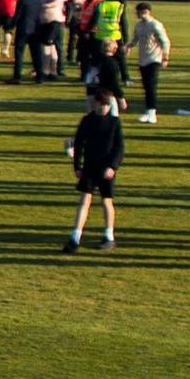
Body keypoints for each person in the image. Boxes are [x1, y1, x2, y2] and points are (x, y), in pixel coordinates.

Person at [65, 81, 124, 251]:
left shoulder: (114, 123)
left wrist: (112, 166)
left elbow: (119, 148)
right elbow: (79, 144)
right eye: (100, 104)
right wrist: (77, 166)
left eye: (106, 105)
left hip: (106, 168)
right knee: (84, 200)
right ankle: (75, 236)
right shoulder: (87, 120)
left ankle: (109, 235)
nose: (103, 108)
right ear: (95, 103)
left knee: (107, 201)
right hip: (90, 167)